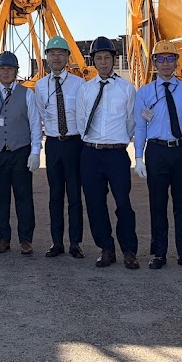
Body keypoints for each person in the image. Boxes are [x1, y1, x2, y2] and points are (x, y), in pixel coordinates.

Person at [134, 39, 182, 270]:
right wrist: (138, 157)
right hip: (156, 151)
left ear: (176, 62)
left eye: (170, 59)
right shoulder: (145, 93)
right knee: (157, 204)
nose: (165, 63)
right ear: (154, 62)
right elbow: (140, 126)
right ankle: (159, 253)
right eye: (161, 59)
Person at [76, 36, 137, 269]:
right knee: (95, 204)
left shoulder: (126, 89)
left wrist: (116, 140)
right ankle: (106, 249)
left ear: (114, 59)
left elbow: (131, 121)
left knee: (123, 203)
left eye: (107, 58)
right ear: (93, 61)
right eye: (99, 58)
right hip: (90, 153)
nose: (103, 62)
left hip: (116, 155)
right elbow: (81, 120)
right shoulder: (85, 89)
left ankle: (129, 250)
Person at [0, 52, 42, 254]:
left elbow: (35, 123)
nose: (6, 72)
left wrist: (35, 151)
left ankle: (26, 239)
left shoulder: (27, 94)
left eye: (10, 69)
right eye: (2, 69)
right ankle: (2, 238)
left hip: (20, 152)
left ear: (16, 71)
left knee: (24, 196)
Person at [35, 36, 86, 259]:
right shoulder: (40, 86)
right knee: (55, 196)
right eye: (52, 53)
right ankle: (57, 242)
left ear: (67, 57)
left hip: (74, 143)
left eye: (61, 53)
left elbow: (84, 115)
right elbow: (39, 116)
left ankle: (75, 243)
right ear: (46, 57)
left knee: (74, 195)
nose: (56, 57)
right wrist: (36, 147)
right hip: (54, 144)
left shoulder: (79, 84)